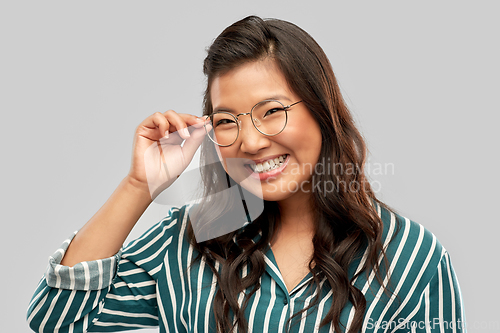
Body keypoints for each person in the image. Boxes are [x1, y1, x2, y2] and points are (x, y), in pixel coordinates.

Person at [27, 16, 465, 333]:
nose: (251, 142)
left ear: (320, 110)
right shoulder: (188, 238)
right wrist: (139, 186)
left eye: (272, 112)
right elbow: (56, 319)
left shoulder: (411, 258)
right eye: (227, 121)